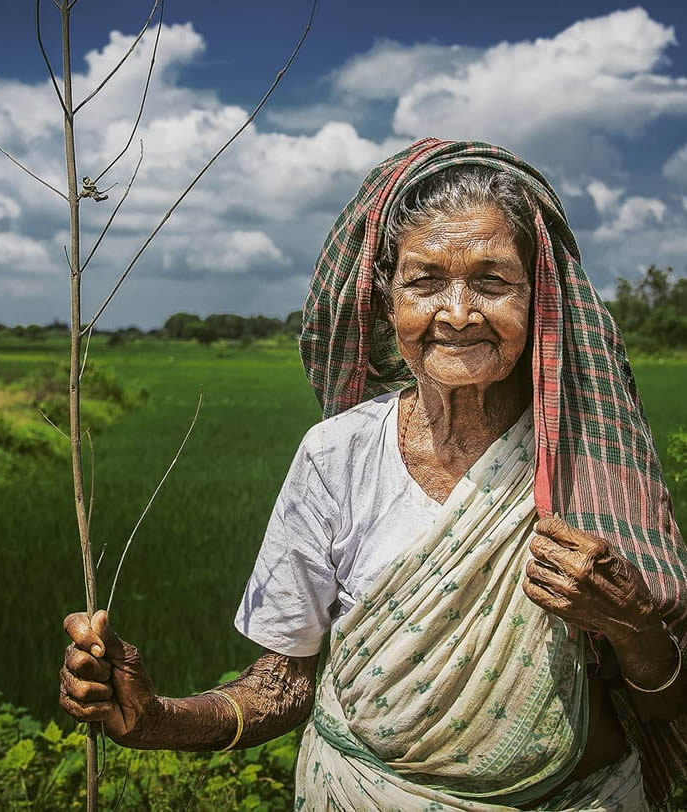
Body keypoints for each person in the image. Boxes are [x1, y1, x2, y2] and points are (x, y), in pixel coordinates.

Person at [59, 138, 687, 810]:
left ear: (541, 300)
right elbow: (283, 683)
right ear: (386, 304)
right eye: (424, 281)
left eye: (493, 281)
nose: (457, 312)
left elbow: (665, 700)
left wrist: (631, 626)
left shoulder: (591, 466)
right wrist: (158, 720)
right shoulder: (338, 456)